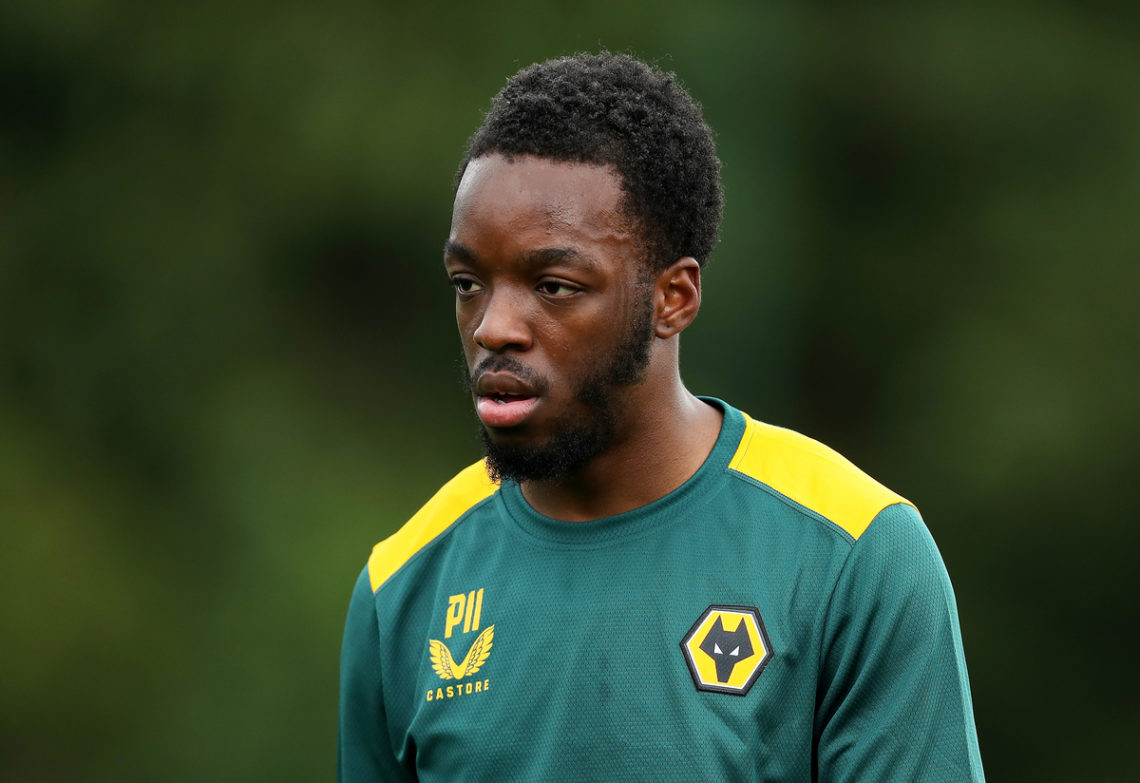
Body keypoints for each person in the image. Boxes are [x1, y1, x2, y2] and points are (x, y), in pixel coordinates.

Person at [338, 52, 984, 782]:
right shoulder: (402, 586)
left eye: (553, 285)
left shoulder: (855, 553)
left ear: (674, 298)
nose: (494, 326)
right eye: (468, 283)